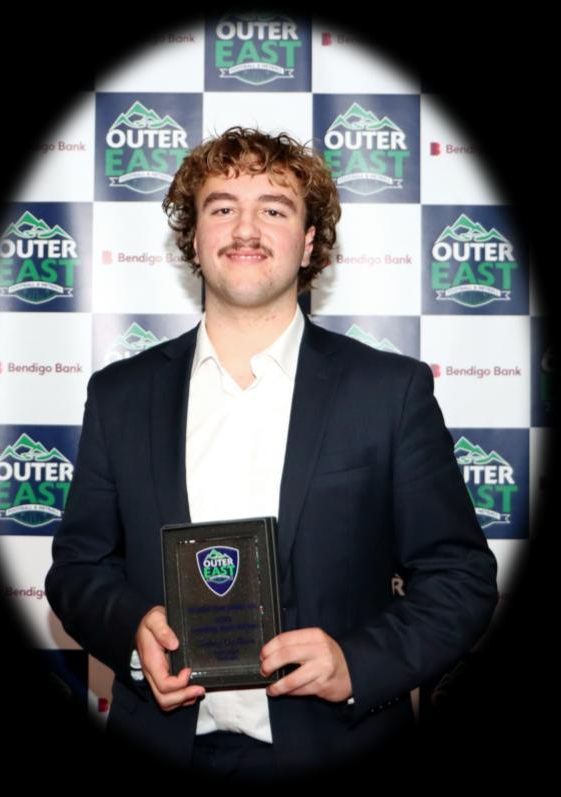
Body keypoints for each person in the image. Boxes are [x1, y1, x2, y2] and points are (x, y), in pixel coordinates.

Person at [45, 126, 499, 783]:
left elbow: (460, 577)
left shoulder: (389, 392)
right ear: (194, 239)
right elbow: (77, 568)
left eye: (275, 209)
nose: (245, 229)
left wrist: (357, 663)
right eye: (222, 207)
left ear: (309, 241)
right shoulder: (119, 395)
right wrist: (133, 636)